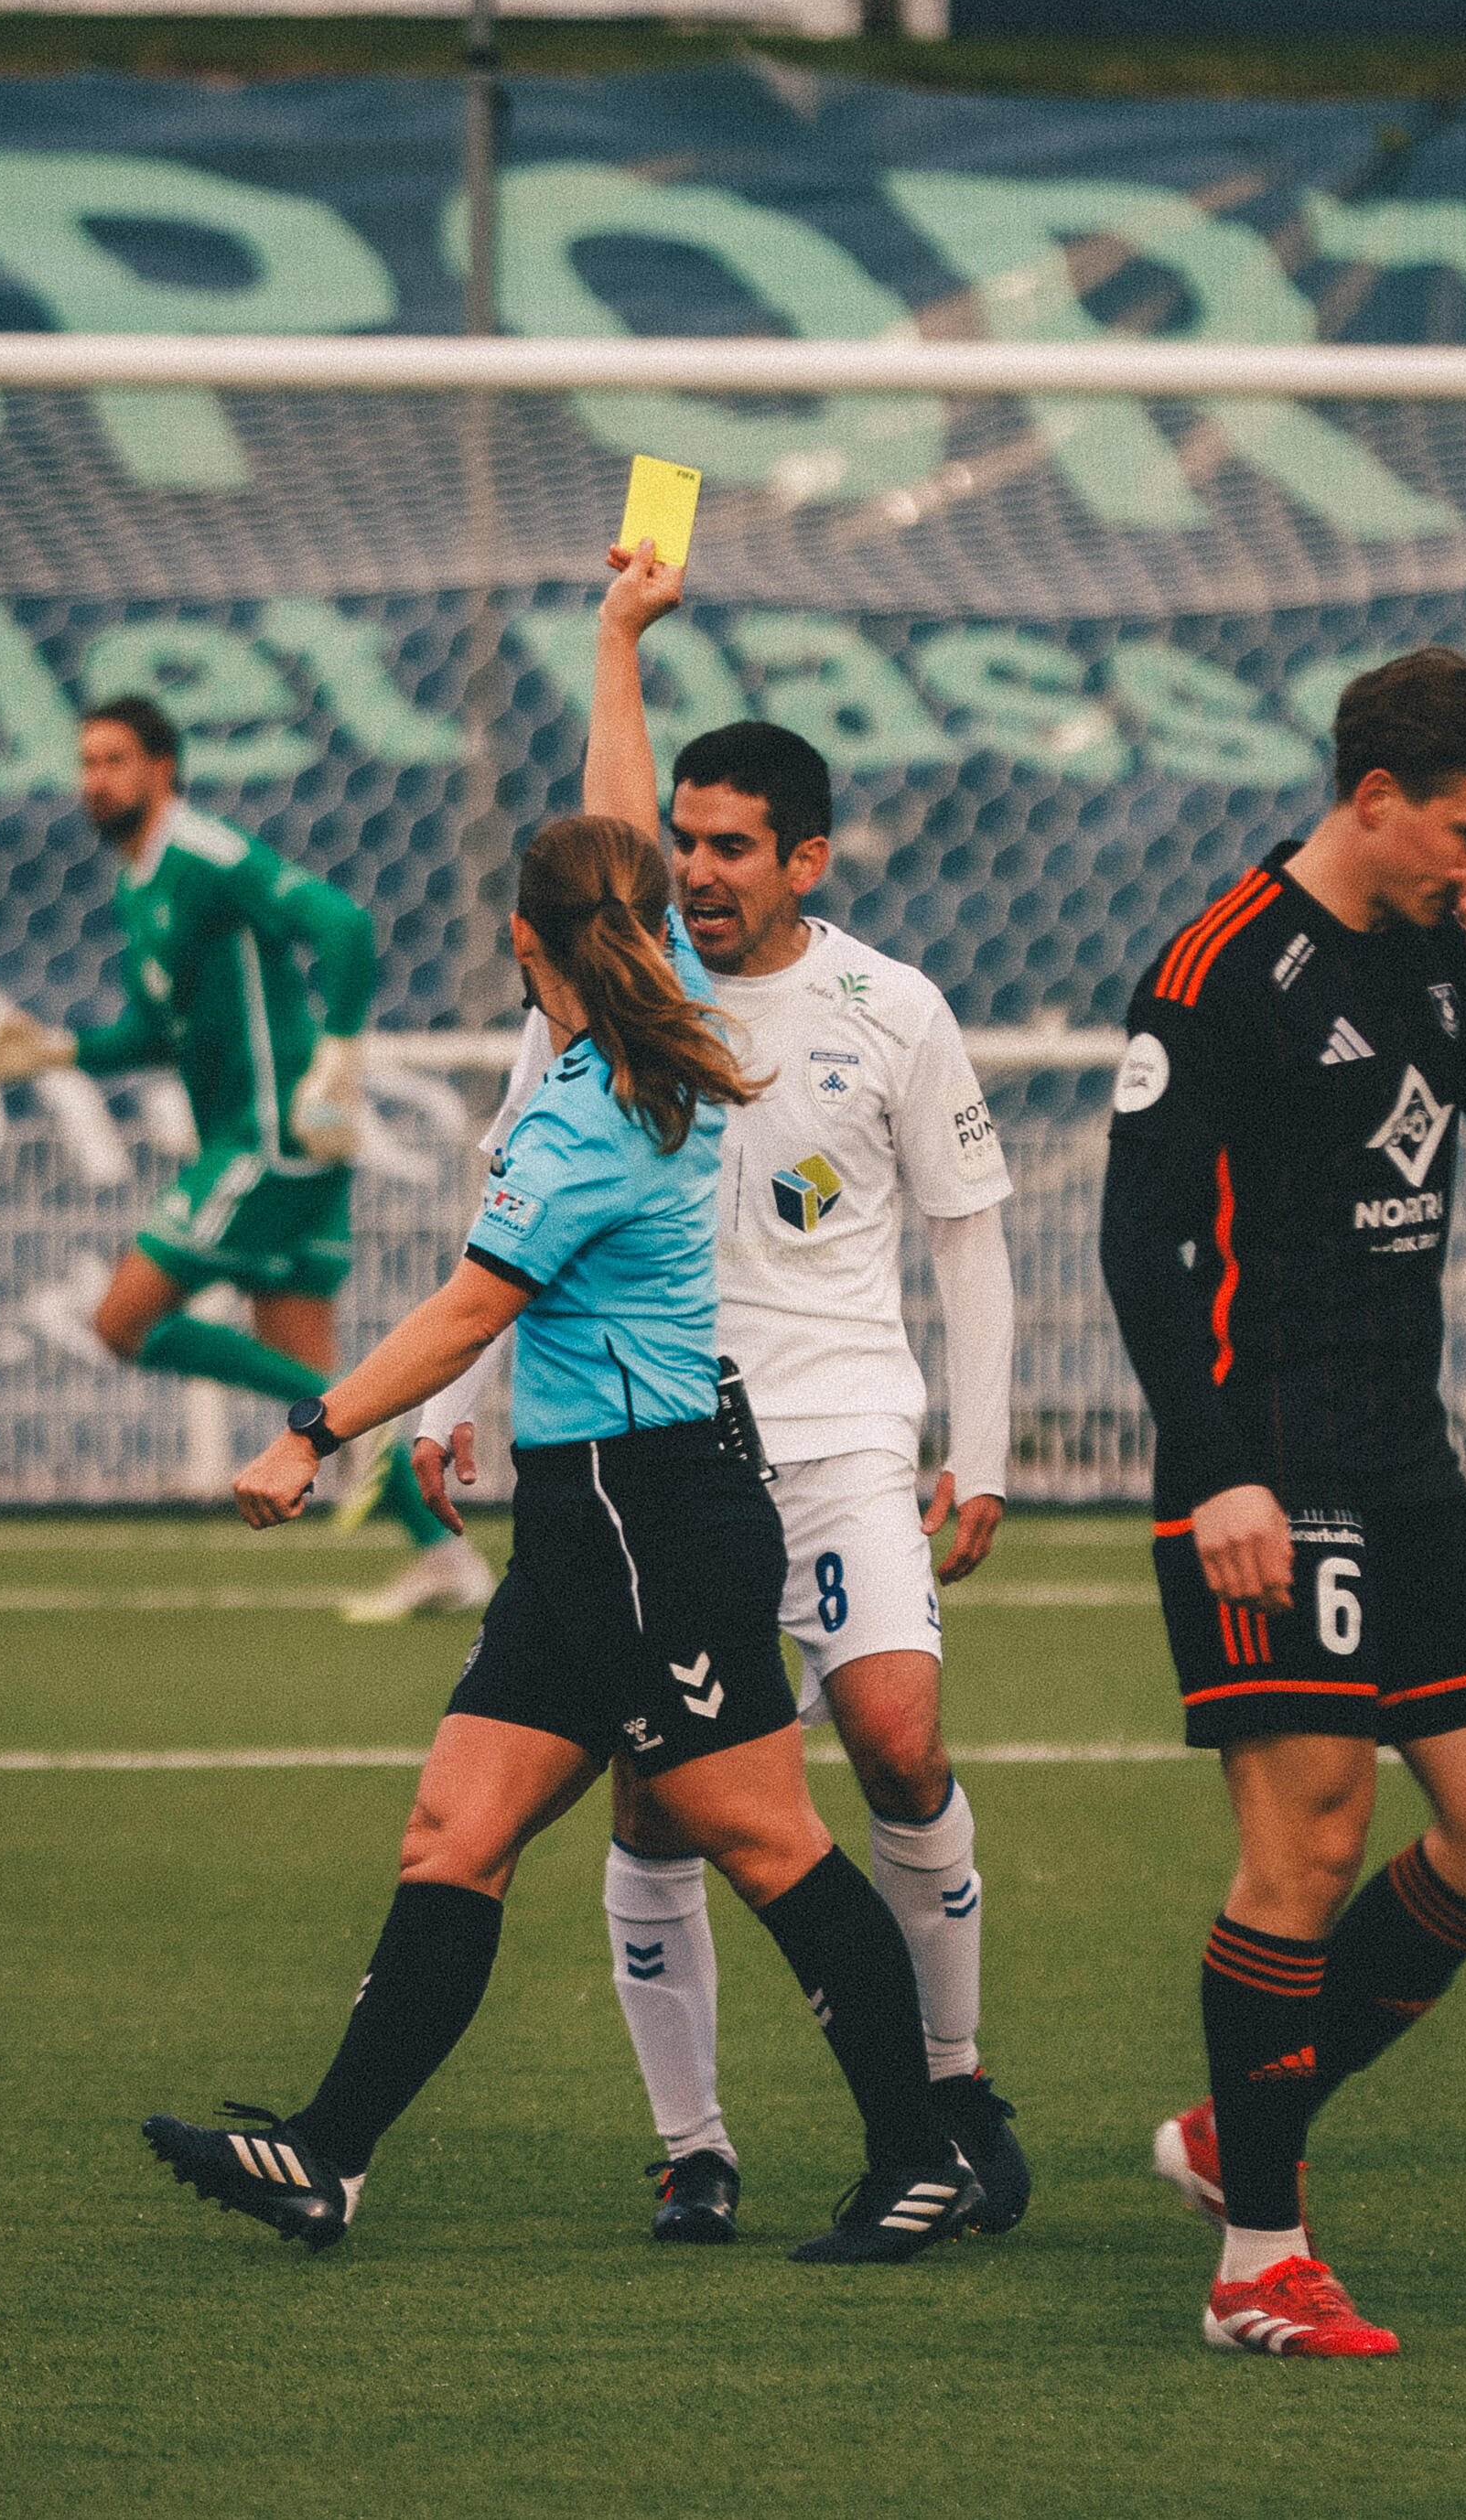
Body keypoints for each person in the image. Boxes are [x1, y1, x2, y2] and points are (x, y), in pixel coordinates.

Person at [142, 806, 987, 2265]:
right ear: (646, 929)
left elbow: (475, 1304)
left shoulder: (591, 1109)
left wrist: (313, 1429)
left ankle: (924, 2154)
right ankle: (327, 2156)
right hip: (590, 1518)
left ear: (522, 937)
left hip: (654, 1514)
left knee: (766, 1837)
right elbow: (619, 840)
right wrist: (617, 675)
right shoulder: (648, 1046)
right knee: (455, 1829)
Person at [414, 541, 1029, 2245]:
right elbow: (508, 1233)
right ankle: (695, 2145)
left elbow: (971, 1238)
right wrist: (446, 1407)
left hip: (836, 1440)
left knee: (898, 1740)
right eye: (678, 842)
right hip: (664, 1458)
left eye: (730, 845)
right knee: (661, 1793)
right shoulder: (622, 1003)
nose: (693, 869)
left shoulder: (889, 1008)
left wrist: (979, 1452)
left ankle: (953, 2085)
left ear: (805, 859)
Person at [1100, 646, 1466, 2358]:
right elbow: (1141, 1244)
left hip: (1407, 1458)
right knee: (1308, 1840)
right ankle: (1258, 2257)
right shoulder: (1221, 969)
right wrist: (1217, 1468)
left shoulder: (1447, 948)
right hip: (1267, 1458)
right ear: (1375, 797)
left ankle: (1236, 2128)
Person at [0, 693, 488, 1604]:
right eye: (86, 763)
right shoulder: (139, 880)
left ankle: (351, 1422)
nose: (96, 780)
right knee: (311, 1377)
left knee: (122, 1321)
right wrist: (57, 1051)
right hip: (263, 1141)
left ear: (163, 768)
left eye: (114, 761)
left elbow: (344, 924)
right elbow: (153, 1030)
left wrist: (338, 1057)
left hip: (275, 1136)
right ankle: (445, 1557)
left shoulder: (205, 854)